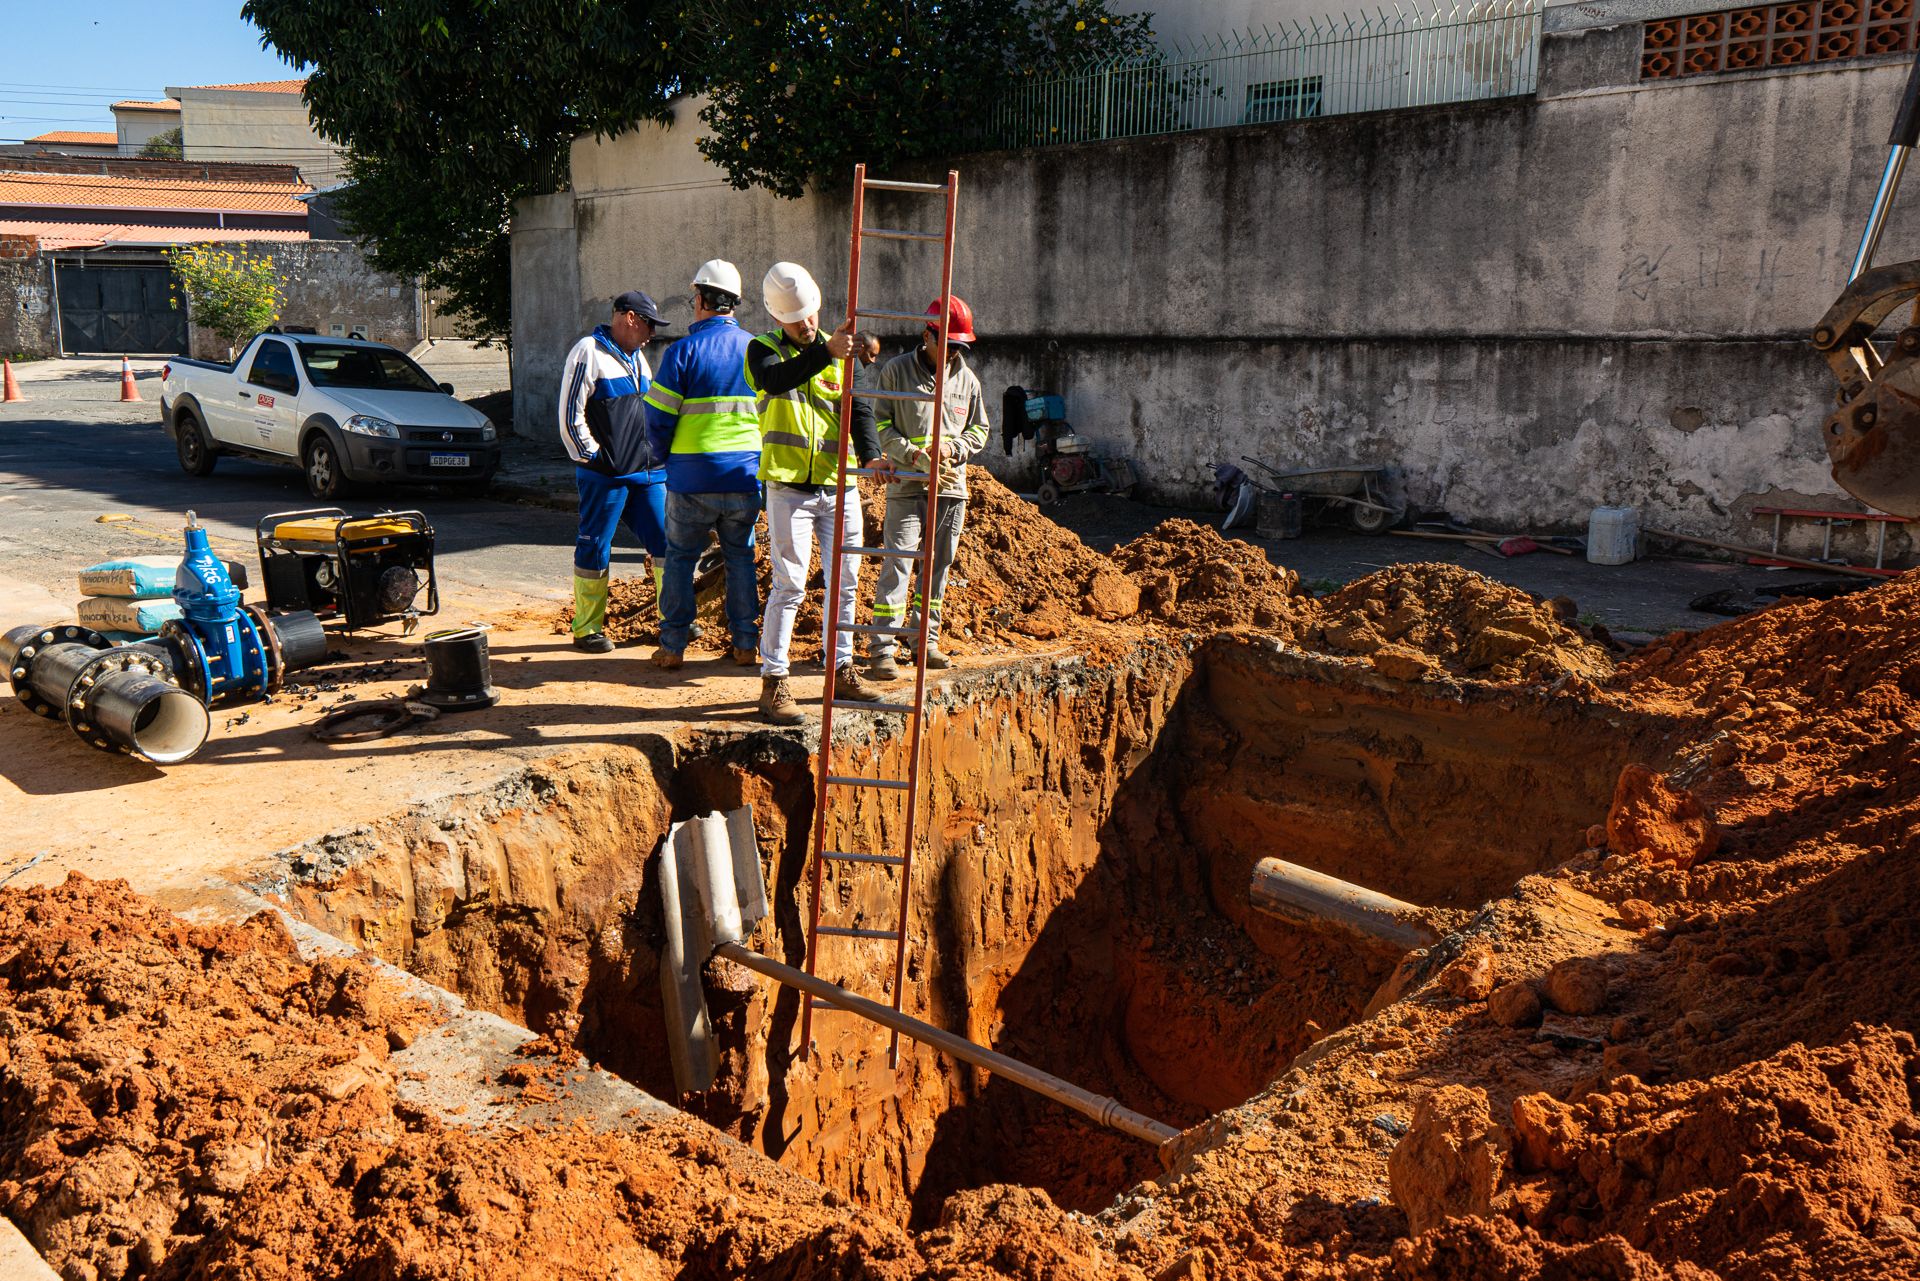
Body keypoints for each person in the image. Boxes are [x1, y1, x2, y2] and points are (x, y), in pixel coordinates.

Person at [746, 263, 891, 724]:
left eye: (810, 315)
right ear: (777, 318)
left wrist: (870, 457)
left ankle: (840, 667)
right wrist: (826, 352)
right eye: (796, 319)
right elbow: (774, 381)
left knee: (845, 582)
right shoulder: (762, 350)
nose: (806, 325)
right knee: (789, 584)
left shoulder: (841, 351)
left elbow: (860, 410)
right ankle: (774, 681)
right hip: (789, 487)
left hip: (840, 485)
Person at [643, 260, 762, 670]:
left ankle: (673, 647)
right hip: (745, 475)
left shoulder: (682, 352)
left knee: (679, 558)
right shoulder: (757, 351)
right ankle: (746, 644)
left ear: (702, 300)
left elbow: (658, 418)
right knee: (740, 558)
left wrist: (657, 459)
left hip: (691, 478)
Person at [867, 296, 990, 681]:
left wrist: (955, 448)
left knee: (936, 568)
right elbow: (881, 423)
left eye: (959, 346)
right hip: (906, 485)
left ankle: (925, 641)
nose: (953, 351)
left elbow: (979, 429)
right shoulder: (896, 371)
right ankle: (882, 648)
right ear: (927, 335)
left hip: (950, 487)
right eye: (948, 343)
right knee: (898, 561)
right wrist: (910, 454)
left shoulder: (967, 380)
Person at [558, 290, 671, 653]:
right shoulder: (587, 352)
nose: (652, 333)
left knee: (667, 542)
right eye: (649, 324)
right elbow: (569, 415)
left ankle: (675, 620)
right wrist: (592, 457)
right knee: (595, 546)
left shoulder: (639, 360)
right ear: (629, 318)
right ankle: (587, 628)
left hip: (647, 473)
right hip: (604, 475)